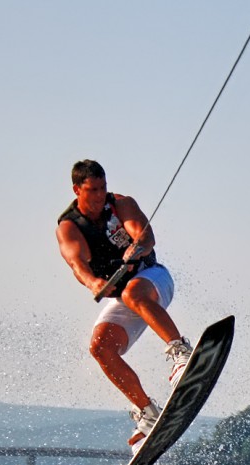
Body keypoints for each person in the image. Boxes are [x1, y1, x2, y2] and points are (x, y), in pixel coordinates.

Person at [56, 160, 193, 450]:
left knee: (133, 293)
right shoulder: (69, 227)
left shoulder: (121, 204)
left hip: (153, 279)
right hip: (123, 295)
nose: (98, 195)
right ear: (76, 190)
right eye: (92, 190)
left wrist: (138, 247)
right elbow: (76, 263)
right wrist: (93, 283)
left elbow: (145, 235)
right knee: (100, 347)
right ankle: (148, 412)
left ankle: (181, 352)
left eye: (102, 187)